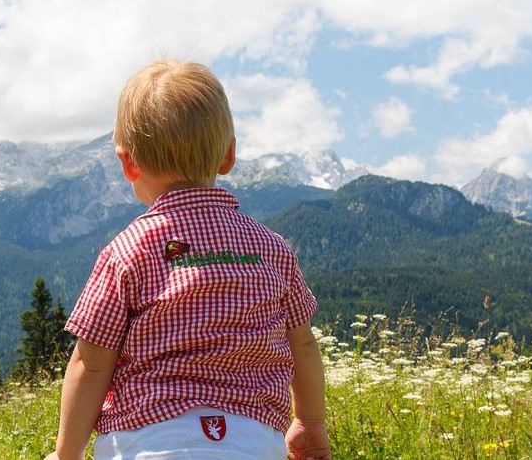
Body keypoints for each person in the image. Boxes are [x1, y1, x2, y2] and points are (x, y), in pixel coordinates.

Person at [45, 60, 330, 460]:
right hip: (254, 442)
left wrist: (66, 455)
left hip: (145, 440)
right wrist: (310, 423)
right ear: (228, 154)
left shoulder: (127, 252)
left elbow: (90, 366)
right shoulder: (271, 248)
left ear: (128, 163)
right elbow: (301, 343)